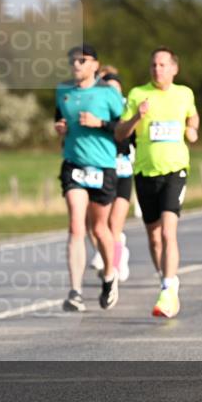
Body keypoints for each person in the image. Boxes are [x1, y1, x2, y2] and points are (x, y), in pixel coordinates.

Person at [116, 47, 199, 318]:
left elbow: (192, 114)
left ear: (174, 68)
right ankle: (168, 280)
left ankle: (166, 288)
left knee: (167, 232)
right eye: (153, 65)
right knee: (153, 236)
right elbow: (120, 132)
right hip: (144, 171)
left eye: (163, 65)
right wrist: (138, 116)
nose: (157, 69)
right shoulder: (137, 94)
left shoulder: (184, 93)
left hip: (175, 170)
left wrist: (192, 127)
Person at [54, 45, 123, 311]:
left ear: (95, 65)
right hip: (74, 165)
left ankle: (109, 275)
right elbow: (59, 119)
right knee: (75, 225)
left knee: (100, 229)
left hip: (103, 167)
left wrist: (100, 124)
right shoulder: (63, 92)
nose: (76, 65)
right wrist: (60, 128)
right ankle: (75, 292)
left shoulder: (108, 93)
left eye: (82, 60)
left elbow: (125, 131)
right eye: (72, 60)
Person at [87, 66, 133, 282]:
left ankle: (112, 268)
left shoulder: (127, 110)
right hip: (98, 171)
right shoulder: (94, 109)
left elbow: (127, 134)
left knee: (114, 224)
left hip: (123, 172)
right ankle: (115, 252)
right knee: (94, 224)